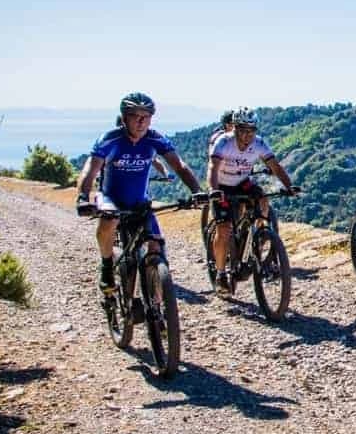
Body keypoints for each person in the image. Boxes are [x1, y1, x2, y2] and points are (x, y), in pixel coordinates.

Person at [75, 92, 205, 299]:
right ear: (125, 118)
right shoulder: (110, 139)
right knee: (109, 219)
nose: (141, 121)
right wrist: (82, 197)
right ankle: (107, 266)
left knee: (156, 246)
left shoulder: (155, 139)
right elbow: (89, 170)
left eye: (146, 116)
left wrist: (197, 191)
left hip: (139, 202)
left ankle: (157, 310)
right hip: (111, 198)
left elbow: (179, 165)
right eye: (136, 115)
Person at [207, 107, 298, 297]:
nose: (247, 134)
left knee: (262, 198)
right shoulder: (223, 142)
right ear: (235, 129)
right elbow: (213, 168)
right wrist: (214, 191)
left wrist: (289, 186)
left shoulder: (259, 144)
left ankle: (260, 233)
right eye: (242, 129)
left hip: (242, 182)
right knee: (224, 229)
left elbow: (275, 166)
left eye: (251, 130)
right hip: (222, 186)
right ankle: (221, 274)